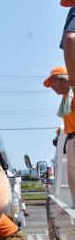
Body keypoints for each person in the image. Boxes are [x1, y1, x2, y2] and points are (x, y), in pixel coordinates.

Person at [43, 67, 75, 206]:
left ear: (65, 81)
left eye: (54, 82)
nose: (52, 87)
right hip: (70, 139)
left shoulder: (72, 95)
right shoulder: (66, 98)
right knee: (72, 179)